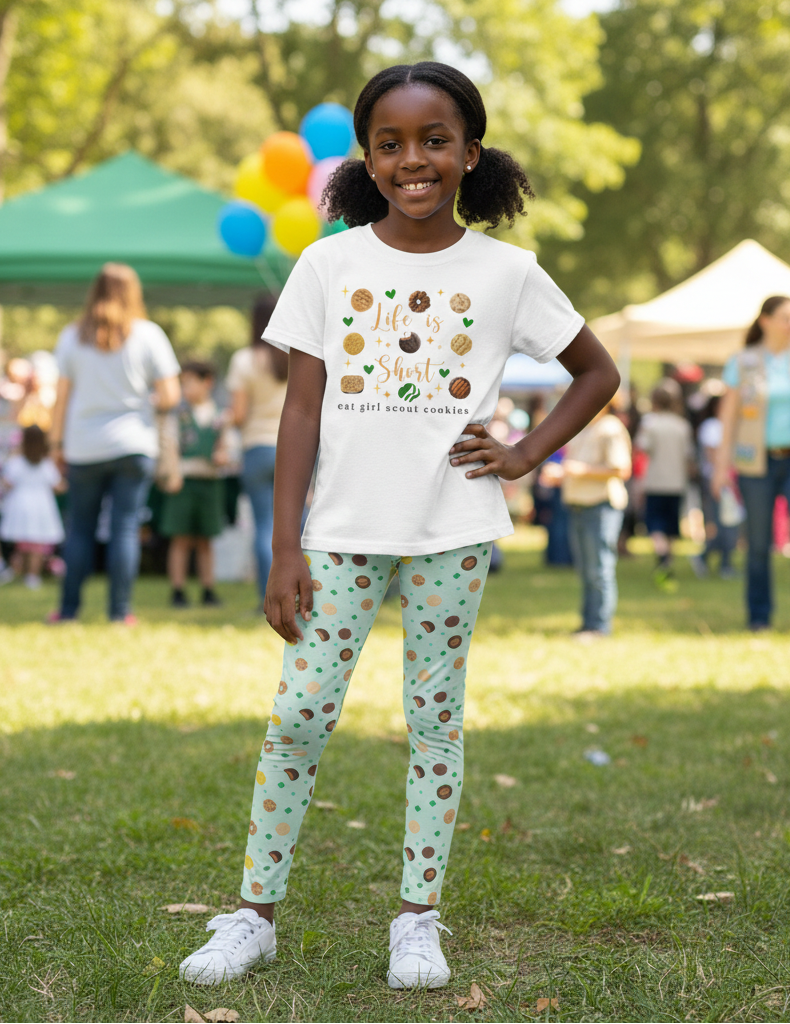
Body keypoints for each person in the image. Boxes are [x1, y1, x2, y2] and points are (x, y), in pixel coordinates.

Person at [178, 61, 619, 991]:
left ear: (469, 153)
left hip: (452, 532)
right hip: (338, 535)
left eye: (434, 140)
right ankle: (252, 913)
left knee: (435, 723)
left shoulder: (509, 273)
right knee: (299, 715)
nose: (412, 159)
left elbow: (596, 373)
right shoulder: (329, 263)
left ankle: (417, 916)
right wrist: (282, 545)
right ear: (367, 158)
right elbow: (300, 413)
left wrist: (525, 452)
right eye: (390, 143)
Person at [48, 263, 181, 623]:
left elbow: (61, 398)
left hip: (84, 446)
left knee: (80, 528)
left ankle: (68, 610)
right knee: (124, 528)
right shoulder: (149, 335)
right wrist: (140, 401)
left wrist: (56, 445)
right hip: (133, 444)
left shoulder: (72, 336)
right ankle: (120, 613)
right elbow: (170, 395)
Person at [713, 295, 790, 629]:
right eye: (786, 317)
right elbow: (727, 419)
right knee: (758, 543)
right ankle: (759, 616)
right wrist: (720, 468)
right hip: (756, 463)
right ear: (766, 321)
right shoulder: (743, 362)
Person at [226, 299, 288, 609]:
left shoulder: (245, 360)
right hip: (296, 450)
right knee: (301, 524)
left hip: (257, 448)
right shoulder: (296, 354)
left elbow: (238, 415)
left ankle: (269, 599)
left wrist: (226, 419)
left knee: (265, 526)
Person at [160, 360, 228, 608]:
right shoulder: (179, 414)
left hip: (210, 481)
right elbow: (170, 444)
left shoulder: (220, 415)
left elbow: (226, 445)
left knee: (206, 539)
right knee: (180, 538)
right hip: (184, 481)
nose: (185, 388)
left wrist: (224, 455)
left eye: (190, 382)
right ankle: (177, 589)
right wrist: (172, 474)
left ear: (207, 382)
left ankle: (208, 588)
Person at [561, 404, 632, 637]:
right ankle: (588, 623)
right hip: (579, 504)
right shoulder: (586, 425)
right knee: (586, 570)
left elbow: (621, 469)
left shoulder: (610, 428)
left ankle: (599, 626)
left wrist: (580, 470)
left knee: (599, 569)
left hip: (600, 505)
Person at [635, 379, 694, 589]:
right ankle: (667, 560)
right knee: (670, 526)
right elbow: (688, 456)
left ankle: (662, 560)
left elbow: (642, 449)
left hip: (655, 482)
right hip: (676, 484)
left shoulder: (650, 424)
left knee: (656, 525)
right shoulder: (682, 426)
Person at [0, 425, 64, 588]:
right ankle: (32, 576)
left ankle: (15, 572)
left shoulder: (16, 462)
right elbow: (58, 486)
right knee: (37, 544)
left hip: (20, 505)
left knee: (22, 543)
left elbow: (7, 483)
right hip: (41, 505)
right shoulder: (46, 463)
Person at [690, 384, 740, 579]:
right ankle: (710, 559)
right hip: (717, 480)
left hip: (731, 481)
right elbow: (712, 454)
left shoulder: (728, 425)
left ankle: (722, 562)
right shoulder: (711, 426)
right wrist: (722, 474)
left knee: (730, 523)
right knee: (722, 523)